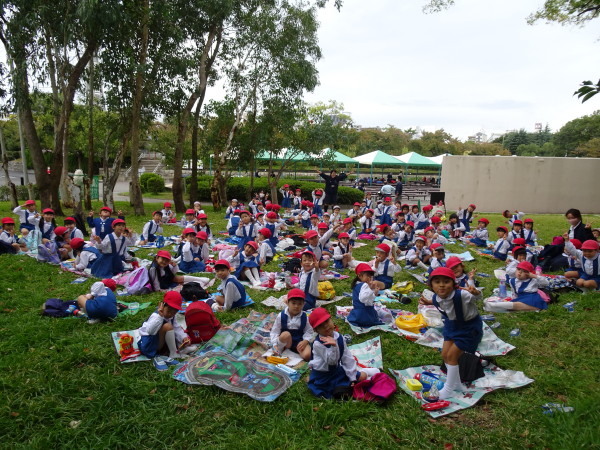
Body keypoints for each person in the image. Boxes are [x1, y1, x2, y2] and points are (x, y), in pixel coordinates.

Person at [419, 267, 482, 400]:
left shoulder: (462, 295)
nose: (441, 285)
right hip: (451, 326)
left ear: (453, 284)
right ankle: (457, 384)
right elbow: (439, 301)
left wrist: (475, 292)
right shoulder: (436, 297)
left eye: (446, 282)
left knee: (452, 356)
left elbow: (478, 297)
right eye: (437, 282)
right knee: (445, 355)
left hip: (468, 328)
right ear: (431, 285)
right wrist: (428, 302)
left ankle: (448, 390)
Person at [307, 307, 378, 399]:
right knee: (341, 392)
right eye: (321, 325)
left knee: (360, 377)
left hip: (336, 370)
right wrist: (333, 346)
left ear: (331, 319)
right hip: (324, 375)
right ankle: (362, 375)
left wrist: (352, 377)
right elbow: (331, 361)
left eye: (327, 321)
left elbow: (346, 357)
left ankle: (366, 371)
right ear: (316, 330)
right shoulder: (318, 344)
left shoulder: (339, 337)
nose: (326, 326)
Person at [137, 291, 194, 359]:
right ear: (163, 305)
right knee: (168, 326)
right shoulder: (156, 316)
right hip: (149, 345)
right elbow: (151, 332)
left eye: (174, 313)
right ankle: (173, 353)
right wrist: (160, 317)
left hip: (158, 341)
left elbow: (176, 328)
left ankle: (181, 349)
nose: (170, 314)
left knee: (176, 330)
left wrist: (184, 337)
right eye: (169, 311)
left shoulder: (171, 317)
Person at [485, 261, 550, 312]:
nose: (520, 273)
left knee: (516, 305)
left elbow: (546, 283)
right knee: (514, 303)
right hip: (520, 299)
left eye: (524, 271)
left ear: (528, 274)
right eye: (518, 269)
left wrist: (535, 276)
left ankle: (495, 305)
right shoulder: (512, 281)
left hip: (532, 299)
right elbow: (514, 293)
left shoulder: (533, 280)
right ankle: (494, 305)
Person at [270, 288, 313, 361]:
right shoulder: (281, 316)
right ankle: (282, 349)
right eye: (293, 303)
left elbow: (309, 331)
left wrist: (305, 341)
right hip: (285, 342)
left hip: (298, 341)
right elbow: (275, 331)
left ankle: (294, 352)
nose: (296, 306)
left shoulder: (305, 317)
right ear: (287, 303)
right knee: (285, 334)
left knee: (308, 355)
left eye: (300, 304)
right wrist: (275, 345)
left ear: (304, 304)